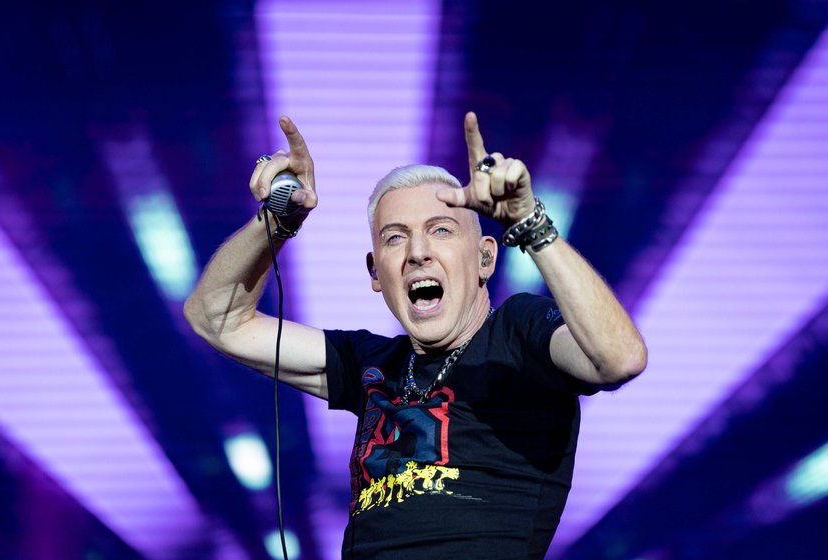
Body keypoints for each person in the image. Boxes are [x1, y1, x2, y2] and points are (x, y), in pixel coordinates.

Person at [184, 112, 647, 559]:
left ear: (486, 259)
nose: (418, 252)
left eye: (440, 230)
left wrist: (530, 223)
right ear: (375, 273)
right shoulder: (370, 362)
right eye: (395, 237)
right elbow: (217, 319)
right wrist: (278, 219)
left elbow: (619, 359)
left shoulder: (518, 332)